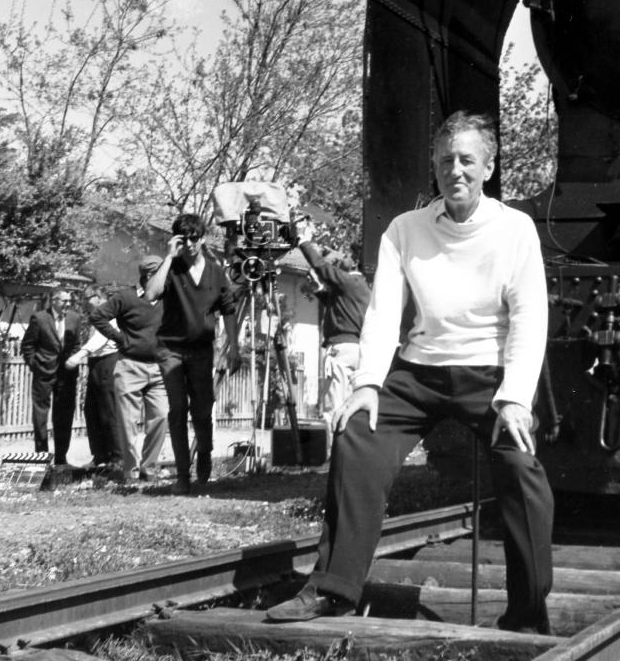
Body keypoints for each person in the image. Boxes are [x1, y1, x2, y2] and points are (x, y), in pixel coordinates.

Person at [266, 111, 554, 634]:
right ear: (435, 168)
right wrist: (369, 383)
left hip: (489, 376)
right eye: (446, 160)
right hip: (419, 374)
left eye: (468, 160)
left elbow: (531, 315)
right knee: (357, 434)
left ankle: (528, 614)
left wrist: (515, 397)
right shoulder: (406, 228)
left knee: (521, 467)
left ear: (488, 167)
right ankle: (333, 590)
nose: (456, 170)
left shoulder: (516, 229)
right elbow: (383, 312)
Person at [144, 214, 236, 495]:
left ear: (203, 238)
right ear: (178, 241)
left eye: (195, 238)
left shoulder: (216, 271)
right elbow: (151, 294)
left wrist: (234, 347)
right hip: (170, 349)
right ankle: (183, 475)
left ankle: (204, 457)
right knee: (177, 410)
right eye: (185, 240)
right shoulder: (171, 268)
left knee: (202, 410)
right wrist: (169, 258)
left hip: (201, 350)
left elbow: (229, 309)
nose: (191, 245)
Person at [90, 256, 169, 483]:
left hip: (159, 368)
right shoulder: (126, 297)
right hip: (129, 365)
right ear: (148, 276)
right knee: (127, 422)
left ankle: (149, 468)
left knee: (161, 417)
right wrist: (120, 339)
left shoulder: (167, 299)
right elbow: (98, 316)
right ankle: (131, 471)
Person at [296, 222, 371, 445]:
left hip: (340, 350)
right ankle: (352, 449)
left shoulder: (348, 281)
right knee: (351, 404)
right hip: (357, 350)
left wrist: (302, 242)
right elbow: (337, 303)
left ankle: (335, 453)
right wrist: (319, 290)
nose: (342, 257)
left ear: (355, 259)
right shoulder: (361, 287)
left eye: (347, 254)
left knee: (334, 405)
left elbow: (320, 266)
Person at [20, 288, 82, 464]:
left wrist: (72, 361)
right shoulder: (40, 318)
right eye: (64, 301)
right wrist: (35, 365)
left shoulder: (75, 318)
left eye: (70, 301)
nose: (68, 304)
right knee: (40, 416)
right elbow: (27, 346)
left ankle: (61, 458)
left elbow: (77, 344)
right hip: (44, 373)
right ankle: (42, 456)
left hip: (67, 376)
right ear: (54, 300)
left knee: (64, 416)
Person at [65, 286, 122, 469]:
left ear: (98, 298)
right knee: (92, 410)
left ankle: (117, 457)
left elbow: (100, 339)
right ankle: (100, 456)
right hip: (95, 364)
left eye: (87, 298)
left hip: (108, 362)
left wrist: (79, 354)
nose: (84, 303)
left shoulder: (110, 314)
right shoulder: (93, 317)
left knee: (109, 411)